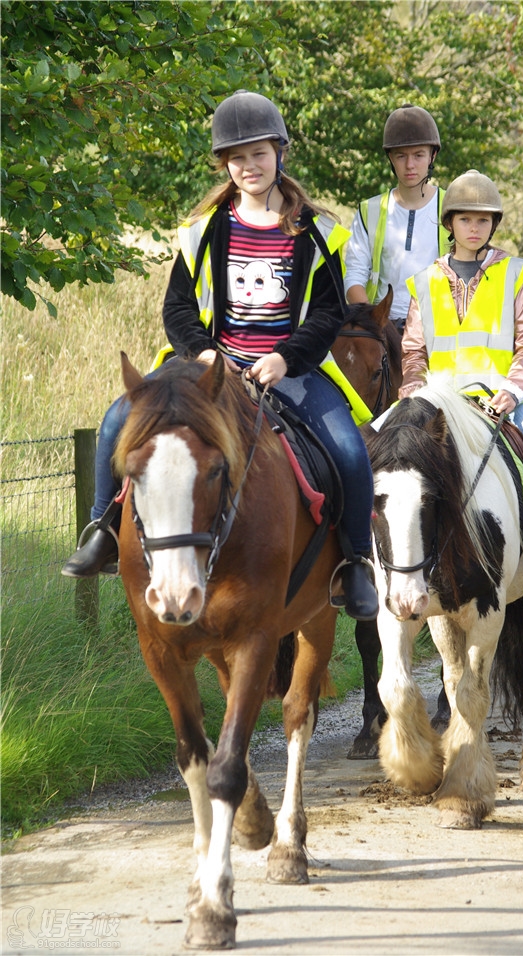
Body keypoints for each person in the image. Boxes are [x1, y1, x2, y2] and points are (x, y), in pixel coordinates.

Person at [62, 90, 379, 621]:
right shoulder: (203, 230)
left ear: (281, 153)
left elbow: (327, 314)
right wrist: (206, 354)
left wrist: (285, 357)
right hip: (209, 365)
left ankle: (356, 562)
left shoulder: (320, 232)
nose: (248, 166)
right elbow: (178, 309)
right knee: (120, 417)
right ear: (225, 165)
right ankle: (101, 531)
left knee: (348, 450)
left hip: (288, 369)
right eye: (236, 157)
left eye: (258, 153)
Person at [400, 169, 523, 598]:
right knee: (383, 449)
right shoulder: (425, 281)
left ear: (494, 224)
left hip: (503, 396)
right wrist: (412, 393)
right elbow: (414, 351)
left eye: (483, 220)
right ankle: (373, 561)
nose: (474, 228)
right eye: (465, 220)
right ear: (450, 224)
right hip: (439, 401)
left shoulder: (517, 274)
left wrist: (513, 390)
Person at [344, 104, 450, 333]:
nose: (409, 165)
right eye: (401, 156)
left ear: (432, 155)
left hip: (438, 330)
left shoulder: (453, 208)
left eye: (418, 155)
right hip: (381, 328)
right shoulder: (369, 210)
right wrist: (375, 323)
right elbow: (353, 277)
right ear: (390, 158)